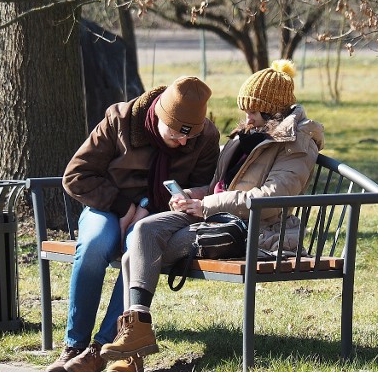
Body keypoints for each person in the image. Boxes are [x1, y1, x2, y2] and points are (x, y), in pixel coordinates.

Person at [99, 60, 325, 372]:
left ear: (273, 110)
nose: (246, 117)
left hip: (253, 229)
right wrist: (195, 195)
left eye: (252, 110)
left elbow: (273, 199)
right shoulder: (248, 135)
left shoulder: (296, 143)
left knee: (132, 258)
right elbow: (222, 185)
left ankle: (130, 354)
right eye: (244, 109)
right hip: (214, 215)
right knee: (142, 233)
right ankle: (135, 339)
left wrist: (209, 205)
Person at [45, 76, 220, 372]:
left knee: (136, 253)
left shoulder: (204, 138)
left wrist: (175, 201)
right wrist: (125, 206)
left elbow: (206, 186)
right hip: (107, 206)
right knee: (93, 246)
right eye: (177, 134)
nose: (183, 142)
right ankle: (73, 346)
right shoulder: (121, 121)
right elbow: (76, 176)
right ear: (159, 116)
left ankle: (100, 350)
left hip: (157, 218)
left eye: (189, 137)